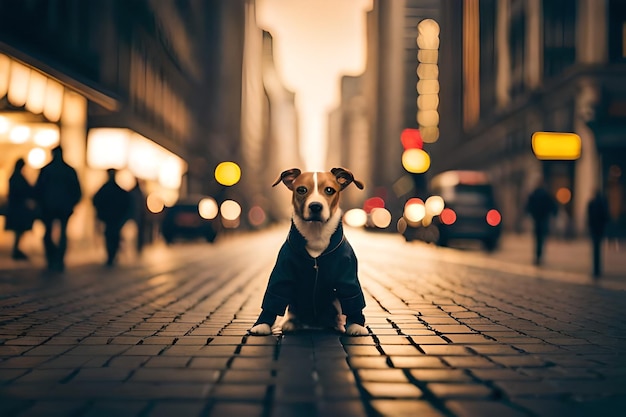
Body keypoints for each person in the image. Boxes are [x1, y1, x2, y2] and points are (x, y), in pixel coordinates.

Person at [34, 145, 82, 272]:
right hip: (62, 207)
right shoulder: (69, 171)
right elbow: (77, 190)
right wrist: (72, 203)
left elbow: (38, 189)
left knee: (49, 233)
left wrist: (40, 203)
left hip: (49, 207)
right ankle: (58, 258)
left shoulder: (46, 170)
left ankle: (52, 257)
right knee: (62, 234)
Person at [93, 169, 132, 266]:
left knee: (110, 236)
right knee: (113, 236)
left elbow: (96, 200)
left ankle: (111, 255)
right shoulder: (117, 190)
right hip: (114, 217)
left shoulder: (106, 189)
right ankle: (111, 255)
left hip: (110, 217)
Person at [5, 158, 37, 260]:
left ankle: (17, 249)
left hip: (16, 207)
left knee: (19, 230)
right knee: (19, 229)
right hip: (18, 207)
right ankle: (16, 250)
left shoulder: (14, 177)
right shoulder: (18, 178)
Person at [525, 180, 557, 265]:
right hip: (543, 219)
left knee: (537, 238)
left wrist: (530, 213)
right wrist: (554, 214)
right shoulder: (546, 195)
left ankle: (537, 256)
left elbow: (528, 206)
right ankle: (540, 255)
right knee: (542, 238)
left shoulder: (534, 194)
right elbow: (552, 205)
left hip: (537, 219)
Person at [587, 190, 610, 277]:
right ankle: (597, 269)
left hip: (595, 229)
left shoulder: (592, 203)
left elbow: (589, 216)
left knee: (595, 249)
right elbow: (606, 216)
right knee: (597, 248)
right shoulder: (601, 203)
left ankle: (596, 269)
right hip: (599, 229)